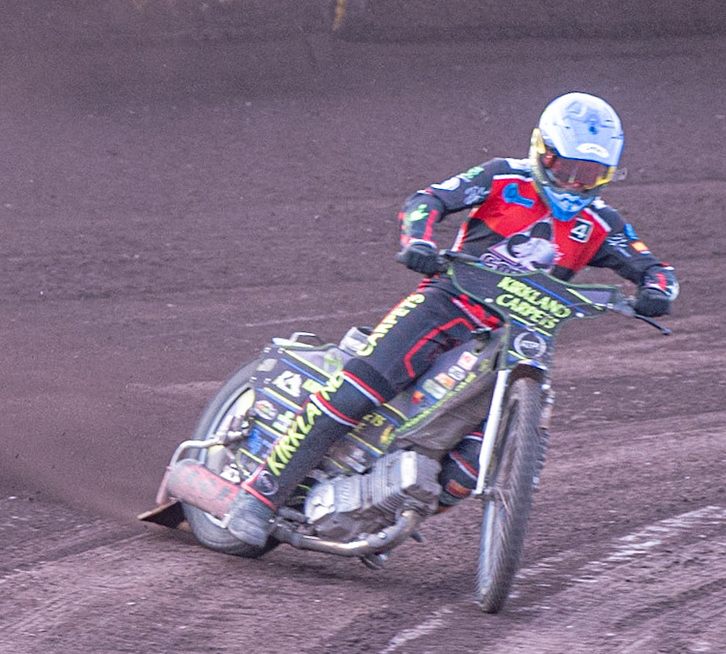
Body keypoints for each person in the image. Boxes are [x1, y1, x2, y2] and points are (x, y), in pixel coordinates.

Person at [226, 92, 678, 547]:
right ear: (543, 151)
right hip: (450, 303)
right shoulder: (504, 178)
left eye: (592, 175)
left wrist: (657, 291)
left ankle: (386, 513)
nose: (576, 185)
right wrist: (418, 240)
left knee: (477, 460)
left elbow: (656, 269)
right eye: (567, 170)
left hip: (517, 337)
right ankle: (259, 496)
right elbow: (428, 199)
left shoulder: (601, 223)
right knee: (356, 390)